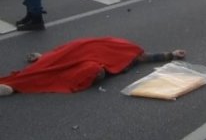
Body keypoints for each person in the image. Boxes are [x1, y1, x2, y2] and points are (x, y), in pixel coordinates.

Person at [0, 37, 186, 96]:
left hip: (92, 58)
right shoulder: (129, 50)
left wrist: (171, 54)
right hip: (88, 48)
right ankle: (20, 80)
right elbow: (143, 56)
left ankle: (16, 85)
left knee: (81, 69)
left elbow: (146, 57)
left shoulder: (133, 55)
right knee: (58, 60)